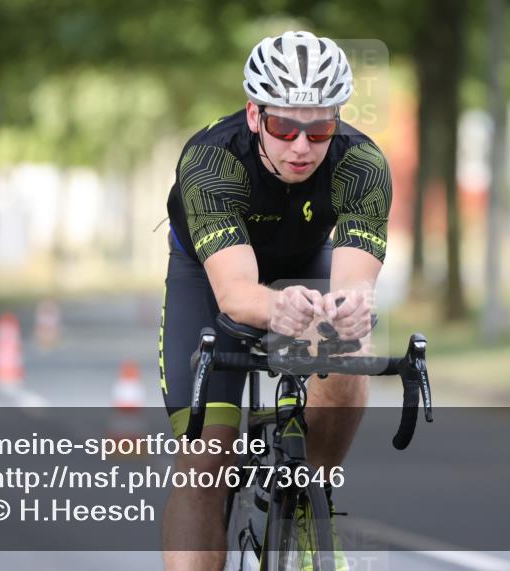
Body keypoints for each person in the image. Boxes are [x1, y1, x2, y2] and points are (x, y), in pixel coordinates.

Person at [159, 31, 392, 571]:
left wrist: (351, 310)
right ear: (254, 114)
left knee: (345, 343)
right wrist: (278, 310)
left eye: (320, 130)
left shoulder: (362, 165)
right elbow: (237, 295)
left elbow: (354, 286)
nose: (301, 147)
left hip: (306, 262)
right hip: (209, 274)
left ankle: (312, 498)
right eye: (285, 127)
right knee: (205, 463)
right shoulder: (211, 161)